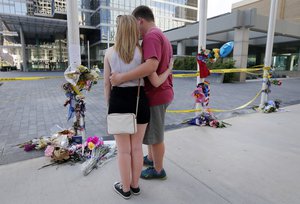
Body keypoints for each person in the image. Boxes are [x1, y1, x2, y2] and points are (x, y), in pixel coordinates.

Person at [104, 15, 172, 200]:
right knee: (136, 149)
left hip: (118, 102)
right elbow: (155, 80)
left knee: (123, 150)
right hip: (139, 102)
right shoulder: (142, 53)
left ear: (118, 30)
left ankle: (125, 188)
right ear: (134, 30)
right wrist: (168, 70)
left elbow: (106, 85)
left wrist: (109, 106)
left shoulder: (109, 53)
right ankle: (135, 186)